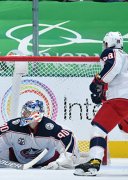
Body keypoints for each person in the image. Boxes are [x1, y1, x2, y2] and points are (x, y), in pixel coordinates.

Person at [74, 31, 128, 176]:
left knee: (98, 129)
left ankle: (93, 161)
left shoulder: (110, 52)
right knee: (125, 130)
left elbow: (112, 68)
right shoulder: (127, 57)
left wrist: (98, 80)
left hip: (119, 100)